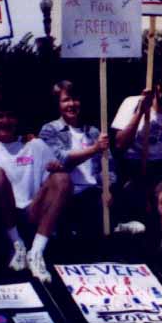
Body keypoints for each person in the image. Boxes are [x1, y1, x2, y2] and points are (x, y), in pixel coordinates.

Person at [0, 97, 71, 282]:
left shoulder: (34, 144)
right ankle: (16, 244)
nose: (5, 121)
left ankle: (36, 252)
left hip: (30, 212)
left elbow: (54, 183)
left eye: (10, 116)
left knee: (63, 178)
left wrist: (55, 171)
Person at [111, 72, 162, 233]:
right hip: (132, 164)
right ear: (156, 85)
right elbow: (120, 144)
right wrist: (140, 112)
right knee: (129, 207)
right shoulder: (133, 103)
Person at [39, 80, 115, 236]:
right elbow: (62, 160)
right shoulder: (49, 130)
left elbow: (109, 167)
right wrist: (94, 149)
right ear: (57, 104)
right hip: (66, 195)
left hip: (94, 192)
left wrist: (107, 189)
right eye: (66, 100)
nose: (72, 104)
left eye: (75, 99)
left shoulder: (94, 132)